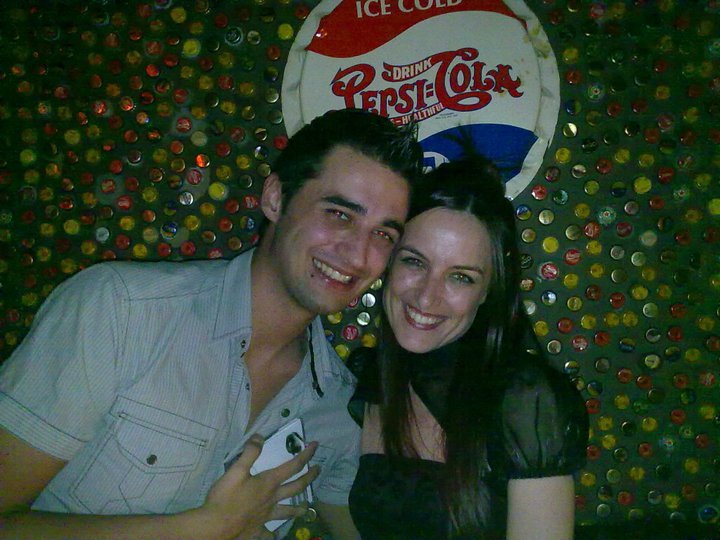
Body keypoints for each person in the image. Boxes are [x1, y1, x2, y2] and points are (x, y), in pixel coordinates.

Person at [0, 108, 424, 539]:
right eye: (339, 214)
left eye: (384, 235)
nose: (358, 254)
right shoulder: (122, 311)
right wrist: (200, 529)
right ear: (276, 199)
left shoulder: (337, 407)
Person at [346, 150, 589, 539]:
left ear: (489, 292)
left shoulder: (524, 401)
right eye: (415, 262)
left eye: (461, 277)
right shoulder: (370, 380)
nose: (427, 298)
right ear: (388, 264)